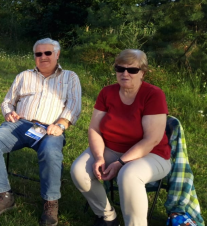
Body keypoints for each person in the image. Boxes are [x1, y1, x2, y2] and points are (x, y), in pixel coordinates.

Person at [0, 38, 82, 225]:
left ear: (57, 54)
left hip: (50, 128)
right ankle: (3, 195)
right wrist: (8, 112)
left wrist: (60, 125)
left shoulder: (70, 77)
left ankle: (51, 202)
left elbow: (74, 107)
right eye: (38, 54)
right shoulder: (24, 76)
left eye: (48, 53)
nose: (43, 57)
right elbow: (7, 101)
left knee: (51, 151)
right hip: (20, 125)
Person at [70, 49, 171, 226]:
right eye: (120, 69)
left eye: (132, 70)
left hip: (151, 154)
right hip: (111, 148)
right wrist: (100, 157)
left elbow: (152, 140)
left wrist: (121, 163)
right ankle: (107, 216)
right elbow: (94, 128)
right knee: (79, 171)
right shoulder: (107, 92)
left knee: (128, 174)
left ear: (143, 73)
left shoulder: (153, 95)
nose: (125, 73)